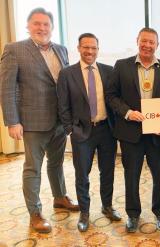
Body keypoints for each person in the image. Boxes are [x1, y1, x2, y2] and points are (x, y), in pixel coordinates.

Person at [0, 7, 79, 233]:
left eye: (46, 24)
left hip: (59, 122)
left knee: (56, 164)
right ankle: (34, 213)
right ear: (28, 26)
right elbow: (6, 88)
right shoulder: (14, 50)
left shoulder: (61, 50)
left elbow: (64, 85)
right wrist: (12, 121)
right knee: (33, 168)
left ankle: (60, 197)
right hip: (32, 122)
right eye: (37, 23)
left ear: (52, 28)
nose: (41, 28)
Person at [105, 27, 160, 233]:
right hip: (130, 133)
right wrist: (127, 112)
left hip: (157, 134)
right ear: (137, 41)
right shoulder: (121, 65)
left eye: (151, 42)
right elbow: (111, 96)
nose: (147, 45)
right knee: (131, 175)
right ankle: (133, 215)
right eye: (144, 41)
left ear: (157, 45)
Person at [57, 33, 120, 232]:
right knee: (82, 174)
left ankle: (107, 206)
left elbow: (115, 99)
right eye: (86, 47)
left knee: (107, 171)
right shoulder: (67, 74)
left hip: (106, 130)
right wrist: (70, 129)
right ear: (78, 48)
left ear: (98, 50)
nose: (90, 51)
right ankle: (84, 212)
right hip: (81, 132)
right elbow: (62, 105)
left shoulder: (109, 72)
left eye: (93, 48)